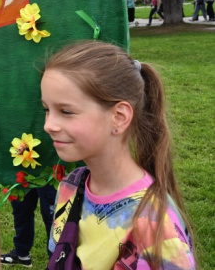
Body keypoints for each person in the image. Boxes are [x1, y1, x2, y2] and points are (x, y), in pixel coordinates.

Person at [42, 41, 196, 269]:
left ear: (119, 117)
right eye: (47, 109)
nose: (49, 125)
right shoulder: (71, 187)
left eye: (66, 111)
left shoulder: (158, 233)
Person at [0, 183, 57, 267]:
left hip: (48, 173)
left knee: (52, 218)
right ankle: (21, 255)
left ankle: (56, 261)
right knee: (21, 209)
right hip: (21, 171)